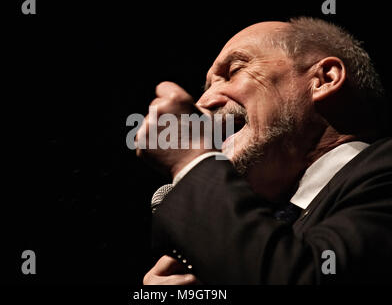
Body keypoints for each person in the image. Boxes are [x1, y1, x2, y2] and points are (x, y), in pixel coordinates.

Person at [136, 17, 392, 284]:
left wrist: (191, 161)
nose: (204, 102)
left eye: (233, 71)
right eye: (208, 87)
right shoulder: (271, 233)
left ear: (324, 78)